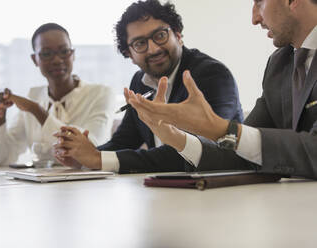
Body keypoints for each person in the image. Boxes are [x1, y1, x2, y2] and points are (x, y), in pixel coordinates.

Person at [127, 0, 317, 179]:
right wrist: (177, 139)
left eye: (260, 1)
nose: (255, 19)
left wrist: (220, 129)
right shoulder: (280, 63)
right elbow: (243, 153)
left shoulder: (212, 72)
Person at [53, 0, 243, 173]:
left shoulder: (211, 75)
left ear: (178, 34)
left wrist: (98, 159)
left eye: (160, 35)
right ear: (130, 54)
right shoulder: (139, 82)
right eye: (140, 43)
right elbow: (125, 140)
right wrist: (83, 155)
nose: (153, 49)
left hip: (217, 189)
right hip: (167, 189)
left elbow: (195, 151)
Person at [0, 23, 115, 166]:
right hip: (40, 185)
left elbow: (91, 149)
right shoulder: (33, 95)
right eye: (47, 54)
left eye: (64, 51)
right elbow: (2, 159)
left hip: (90, 185)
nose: (57, 60)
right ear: (35, 59)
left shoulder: (101, 94)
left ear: (73, 54)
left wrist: (36, 110)